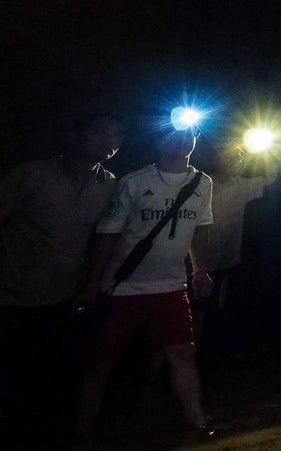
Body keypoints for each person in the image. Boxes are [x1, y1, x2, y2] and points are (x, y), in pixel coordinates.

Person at [74, 123, 215, 440]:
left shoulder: (202, 183)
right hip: (124, 288)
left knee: (182, 352)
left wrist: (199, 270)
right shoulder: (135, 182)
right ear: (157, 140)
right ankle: (81, 428)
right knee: (101, 361)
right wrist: (92, 282)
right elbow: (108, 233)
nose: (182, 140)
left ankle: (197, 420)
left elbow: (201, 227)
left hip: (171, 287)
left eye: (189, 134)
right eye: (174, 134)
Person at [0, 113, 124, 447]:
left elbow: (102, 238)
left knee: (51, 375)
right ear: (77, 136)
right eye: (101, 130)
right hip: (12, 294)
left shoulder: (109, 184)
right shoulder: (32, 174)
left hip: (64, 297)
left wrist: (90, 285)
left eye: (116, 134)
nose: (110, 139)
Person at [194, 145, 277, 350]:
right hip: (194, 260)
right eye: (228, 158)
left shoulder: (243, 185)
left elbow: (271, 178)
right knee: (191, 308)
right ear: (217, 160)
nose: (234, 162)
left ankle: (204, 351)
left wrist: (268, 149)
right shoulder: (202, 182)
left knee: (213, 308)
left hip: (223, 260)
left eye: (239, 158)